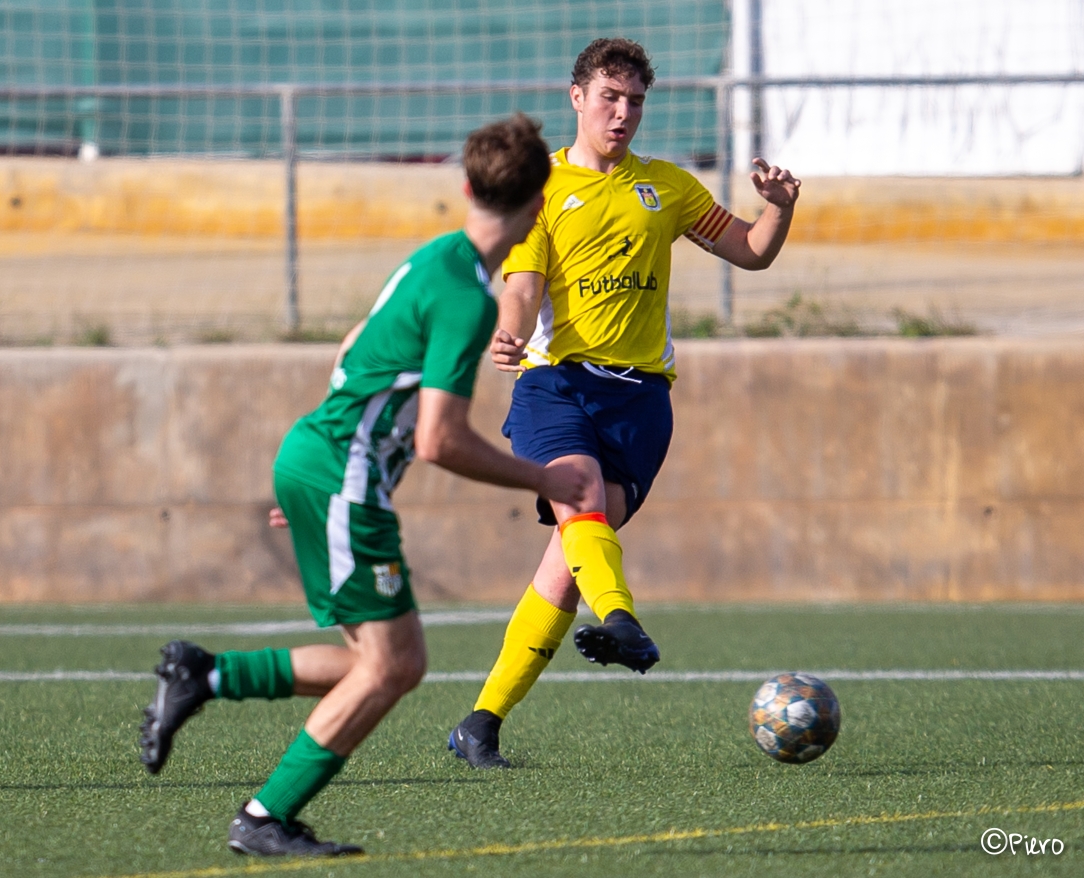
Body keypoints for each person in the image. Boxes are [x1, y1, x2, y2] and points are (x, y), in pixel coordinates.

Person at [137, 113, 590, 857]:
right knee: (396, 664)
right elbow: (437, 439)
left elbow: (354, 350)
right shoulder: (469, 300)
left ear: (468, 186)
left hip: (322, 460)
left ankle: (205, 674)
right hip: (337, 474)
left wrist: (324, 485)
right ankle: (263, 818)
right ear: (540, 200)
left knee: (374, 662)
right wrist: (545, 478)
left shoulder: (431, 259)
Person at [447, 38, 801, 769]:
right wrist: (509, 336)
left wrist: (779, 210)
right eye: (610, 96)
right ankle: (625, 621)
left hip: (642, 402)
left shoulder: (666, 188)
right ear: (576, 97)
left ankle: (480, 724)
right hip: (558, 384)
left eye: (636, 100)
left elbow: (752, 251)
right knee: (580, 501)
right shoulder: (540, 191)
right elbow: (521, 286)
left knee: (566, 562)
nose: (624, 113)